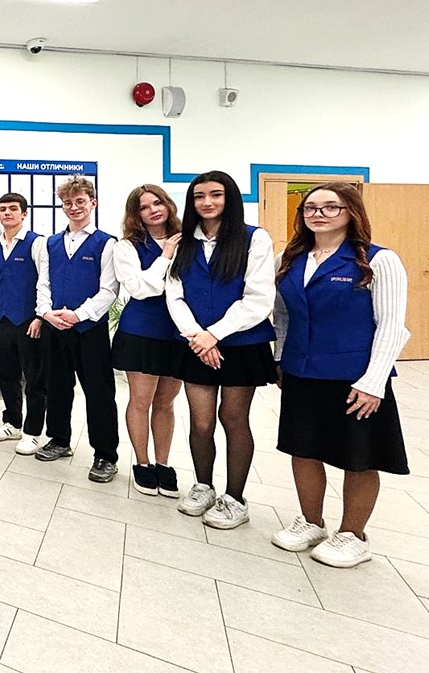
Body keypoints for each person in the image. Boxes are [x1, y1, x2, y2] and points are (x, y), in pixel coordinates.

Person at [272, 182, 410, 567]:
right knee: (303, 449)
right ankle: (311, 522)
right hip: (302, 371)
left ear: (351, 212)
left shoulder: (377, 260)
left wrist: (374, 382)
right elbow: (282, 315)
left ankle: (353, 535)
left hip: (355, 377)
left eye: (330, 207)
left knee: (359, 456)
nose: (318, 213)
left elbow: (391, 325)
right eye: (310, 207)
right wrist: (281, 359)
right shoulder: (289, 258)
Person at [165, 171, 277, 529]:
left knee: (233, 417)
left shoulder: (254, 238)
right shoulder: (184, 242)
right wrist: (198, 336)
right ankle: (203, 486)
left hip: (242, 343)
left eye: (216, 194)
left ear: (230, 198)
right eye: (199, 196)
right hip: (196, 342)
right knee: (200, 422)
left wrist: (214, 334)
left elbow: (258, 298)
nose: (207, 202)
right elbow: (174, 295)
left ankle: (235, 498)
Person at [35, 177, 121, 483]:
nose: (74, 207)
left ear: (92, 203)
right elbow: (43, 283)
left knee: (99, 392)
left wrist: (78, 315)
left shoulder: (106, 243)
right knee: (57, 386)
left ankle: (105, 455)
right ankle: (59, 439)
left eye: (80, 201)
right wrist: (46, 312)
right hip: (55, 326)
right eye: (68, 203)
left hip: (89, 329)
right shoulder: (50, 243)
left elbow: (109, 290)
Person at [111, 184, 185, 497]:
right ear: (135, 214)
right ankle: (142, 463)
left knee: (166, 403)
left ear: (168, 205)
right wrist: (165, 255)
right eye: (144, 207)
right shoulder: (127, 247)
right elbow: (141, 289)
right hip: (141, 331)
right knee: (141, 401)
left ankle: (163, 463)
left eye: (157, 203)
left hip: (178, 332)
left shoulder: (188, 240)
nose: (153, 210)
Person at [0, 193, 47, 452]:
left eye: (13, 208)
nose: (7, 213)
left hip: (29, 320)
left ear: (24, 213)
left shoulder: (36, 243)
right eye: (2, 209)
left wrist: (40, 316)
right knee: (6, 375)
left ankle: (32, 432)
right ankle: (12, 423)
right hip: (3, 320)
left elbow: (45, 281)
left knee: (34, 379)